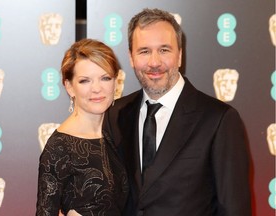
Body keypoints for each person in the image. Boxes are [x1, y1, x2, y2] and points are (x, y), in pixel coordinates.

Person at [103, 8, 252, 216]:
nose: (154, 62)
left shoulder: (218, 120)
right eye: (144, 51)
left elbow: (234, 210)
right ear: (130, 57)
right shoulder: (114, 115)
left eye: (164, 50)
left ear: (180, 55)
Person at [36, 38, 129, 216]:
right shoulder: (59, 147)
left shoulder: (118, 133)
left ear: (115, 82)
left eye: (105, 78)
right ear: (69, 87)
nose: (97, 88)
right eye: (85, 81)